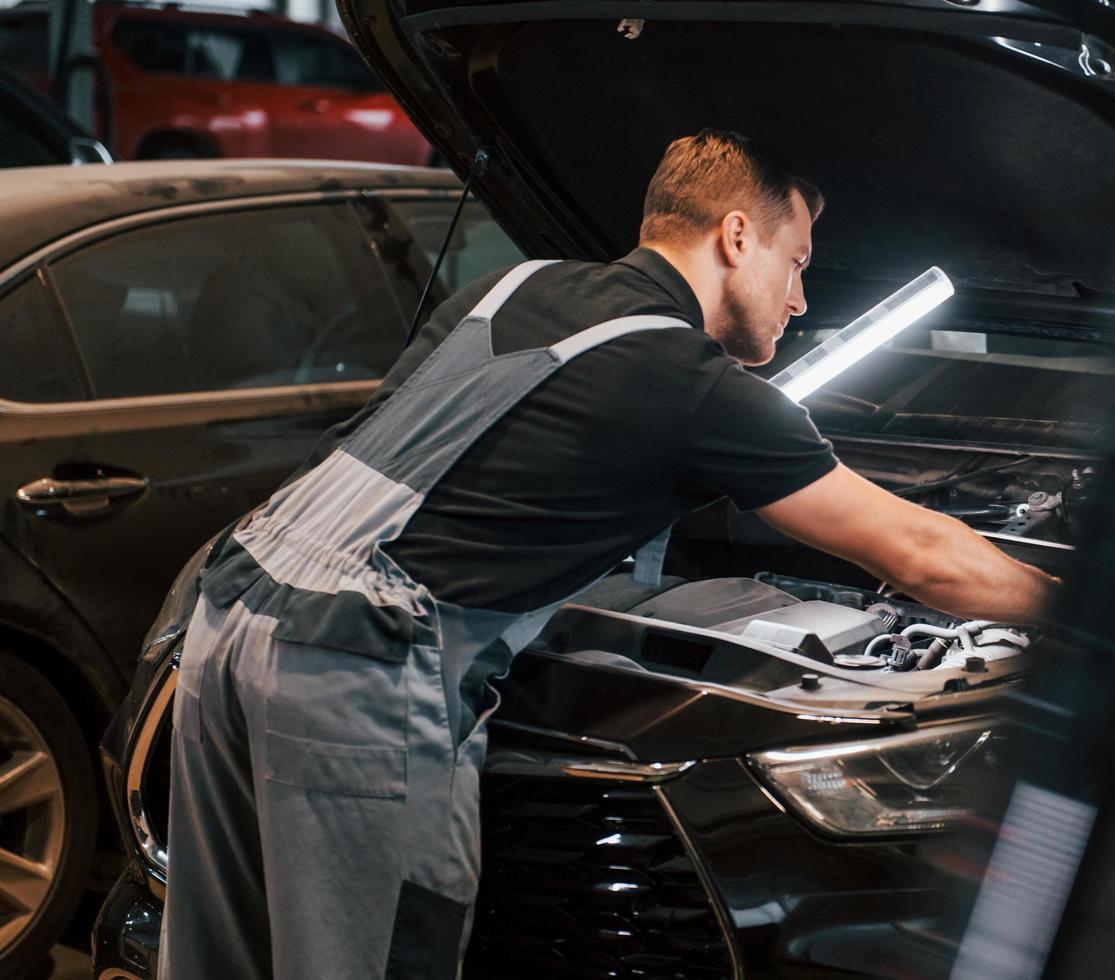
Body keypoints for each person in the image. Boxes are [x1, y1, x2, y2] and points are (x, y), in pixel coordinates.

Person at [158, 129, 1056, 979]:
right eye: (798, 264)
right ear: (737, 237)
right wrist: (1093, 612)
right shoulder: (693, 386)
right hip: (356, 672)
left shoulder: (511, 286)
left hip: (226, 617)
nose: (801, 300)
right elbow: (925, 556)